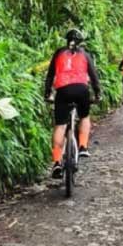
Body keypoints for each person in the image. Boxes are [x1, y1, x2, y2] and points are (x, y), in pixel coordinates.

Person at [44, 28, 101, 178]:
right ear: (81, 42)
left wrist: (48, 93)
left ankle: (57, 162)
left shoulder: (58, 53)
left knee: (60, 126)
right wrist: (97, 93)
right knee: (84, 117)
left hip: (62, 91)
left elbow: (50, 75)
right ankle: (82, 146)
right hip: (81, 90)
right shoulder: (85, 54)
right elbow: (93, 76)